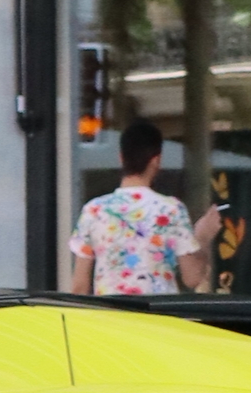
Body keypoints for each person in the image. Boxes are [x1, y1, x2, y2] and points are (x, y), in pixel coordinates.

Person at [66, 121, 221, 295]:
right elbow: (192, 278)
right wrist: (203, 237)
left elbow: (80, 285)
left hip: (110, 316)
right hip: (156, 316)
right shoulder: (171, 209)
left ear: (121, 157)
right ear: (156, 161)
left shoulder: (94, 210)